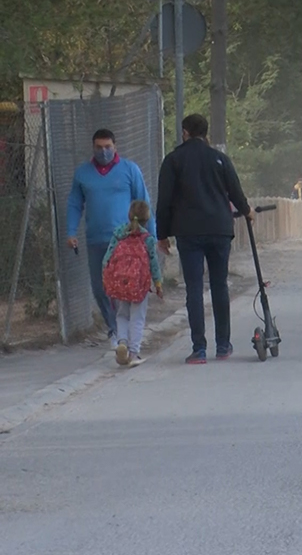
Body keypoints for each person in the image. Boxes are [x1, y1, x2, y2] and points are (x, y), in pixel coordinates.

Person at [156, 114, 253, 364]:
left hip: (189, 232)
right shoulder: (220, 159)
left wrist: (162, 234)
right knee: (220, 285)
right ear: (205, 132)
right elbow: (235, 191)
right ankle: (223, 345)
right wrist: (247, 211)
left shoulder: (174, 160)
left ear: (185, 132)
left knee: (195, 288)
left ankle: (199, 348)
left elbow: (164, 201)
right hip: (220, 229)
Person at [66, 129, 156, 349]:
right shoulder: (83, 174)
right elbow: (75, 204)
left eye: (108, 147)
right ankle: (114, 329)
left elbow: (143, 202)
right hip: (96, 239)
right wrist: (71, 232)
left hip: (127, 241)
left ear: (115, 146)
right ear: (93, 147)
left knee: (123, 287)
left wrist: (151, 235)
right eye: (99, 147)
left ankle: (123, 335)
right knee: (100, 288)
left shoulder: (129, 170)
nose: (103, 151)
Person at [102, 200, 163, 367]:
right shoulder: (147, 239)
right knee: (137, 317)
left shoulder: (118, 234)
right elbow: (154, 264)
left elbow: (107, 258)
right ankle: (134, 353)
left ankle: (122, 343)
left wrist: (107, 280)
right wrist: (158, 283)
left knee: (122, 315)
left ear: (129, 215)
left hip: (119, 284)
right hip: (139, 285)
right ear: (147, 219)